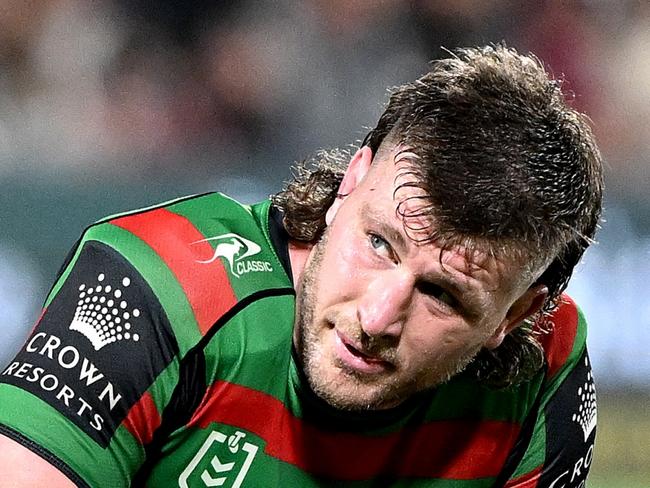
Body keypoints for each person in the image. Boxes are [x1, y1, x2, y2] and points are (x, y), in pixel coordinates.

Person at [0, 45, 602, 487]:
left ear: (517, 313)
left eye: (442, 295)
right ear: (352, 181)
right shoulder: (161, 284)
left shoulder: (544, 374)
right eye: (380, 244)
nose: (376, 316)